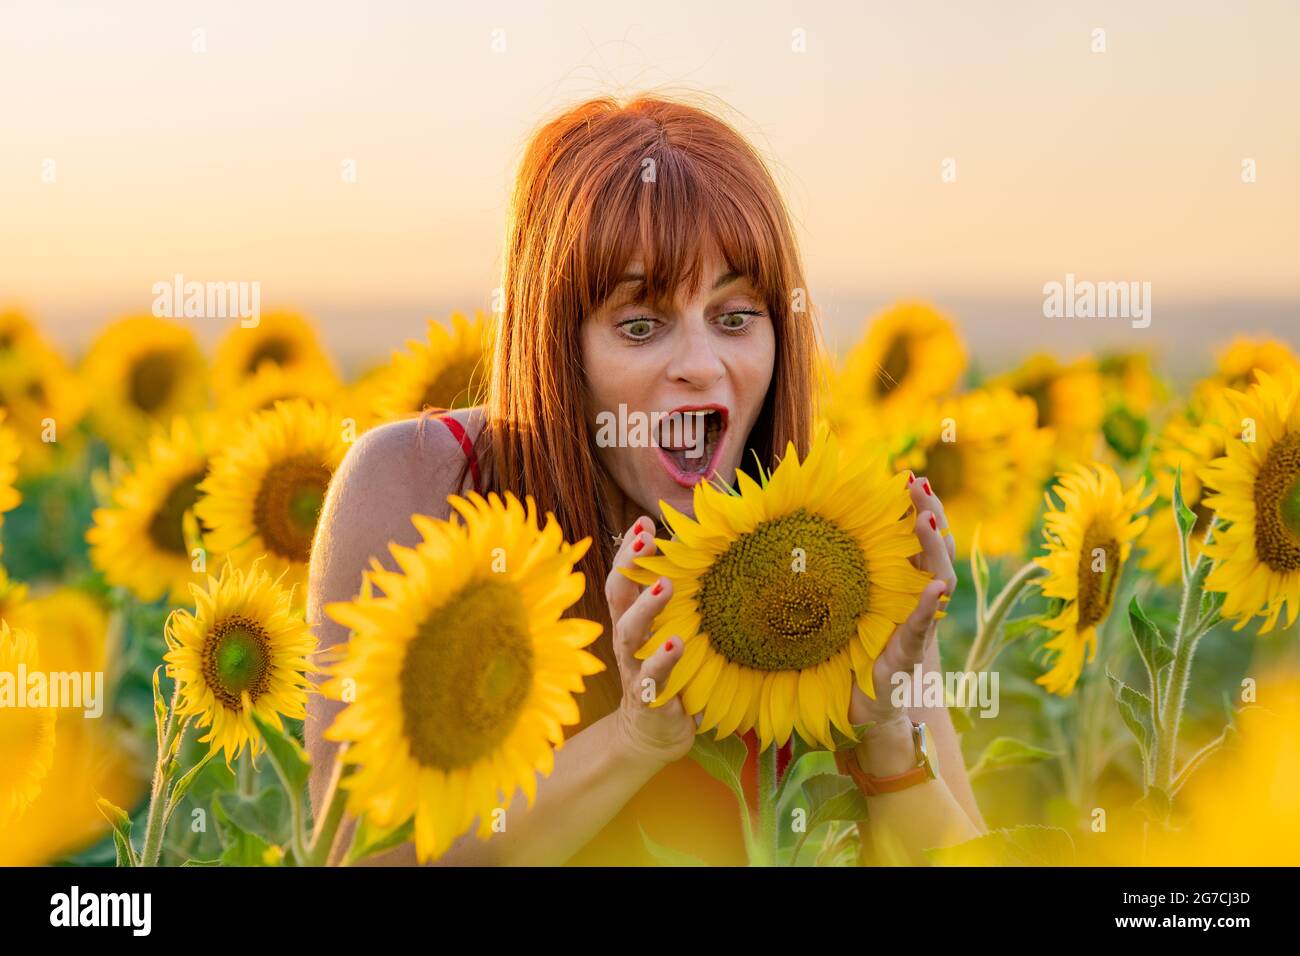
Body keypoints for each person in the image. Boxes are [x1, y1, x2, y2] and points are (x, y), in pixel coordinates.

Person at [306, 93, 985, 865]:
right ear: (560, 346)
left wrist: (888, 741)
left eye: (735, 317)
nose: (700, 365)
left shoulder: (836, 551)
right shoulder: (420, 487)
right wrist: (632, 741)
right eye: (640, 325)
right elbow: (357, 854)